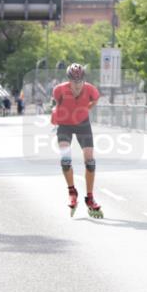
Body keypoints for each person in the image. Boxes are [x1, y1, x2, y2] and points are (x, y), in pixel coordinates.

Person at [52, 63, 103, 218]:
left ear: (83, 79)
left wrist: (85, 109)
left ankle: (89, 197)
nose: (77, 85)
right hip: (65, 125)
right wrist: (56, 113)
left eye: (79, 81)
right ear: (69, 80)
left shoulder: (91, 90)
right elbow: (57, 103)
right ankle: (72, 191)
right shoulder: (59, 90)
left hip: (83, 124)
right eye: (74, 82)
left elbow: (94, 101)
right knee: (65, 160)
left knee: (90, 162)